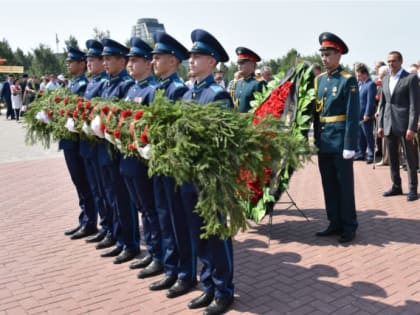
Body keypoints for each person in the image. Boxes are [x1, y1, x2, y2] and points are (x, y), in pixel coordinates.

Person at [181, 29, 234, 315]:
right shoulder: (189, 92)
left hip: (209, 177)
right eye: (190, 55)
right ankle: (209, 286)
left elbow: (222, 142)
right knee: (197, 234)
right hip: (187, 175)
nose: (191, 60)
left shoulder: (218, 95)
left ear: (211, 62)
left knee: (216, 235)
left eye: (197, 55)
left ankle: (224, 290)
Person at [140, 32, 189, 294]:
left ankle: (184, 272)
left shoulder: (178, 90)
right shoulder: (158, 89)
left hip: (172, 165)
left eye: (158, 57)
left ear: (172, 60)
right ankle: (171, 269)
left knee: (176, 221)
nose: (153, 61)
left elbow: (179, 132)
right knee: (162, 217)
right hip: (156, 163)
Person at [120, 37, 163, 270]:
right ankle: (153, 250)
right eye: (129, 60)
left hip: (142, 160)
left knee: (150, 209)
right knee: (141, 208)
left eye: (134, 60)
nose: (130, 65)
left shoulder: (153, 90)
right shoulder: (131, 88)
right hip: (127, 157)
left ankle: (159, 255)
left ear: (148, 64)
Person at [313, 32, 360, 243]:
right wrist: (315, 140)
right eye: (322, 54)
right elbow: (316, 114)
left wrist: (350, 144)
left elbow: (352, 115)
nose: (324, 58)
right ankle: (334, 221)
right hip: (324, 141)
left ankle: (349, 225)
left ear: (339, 55)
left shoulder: (347, 80)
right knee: (328, 184)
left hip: (340, 140)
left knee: (344, 185)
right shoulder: (319, 81)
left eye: (328, 54)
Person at [95, 38, 139, 264]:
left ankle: (129, 243)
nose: (104, 62)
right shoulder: (107, 83)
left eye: (108, 58)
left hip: (118, 150)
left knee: (123, 200)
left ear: (121, 61)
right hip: (105, 149)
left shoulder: (124, 85)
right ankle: (117, 237)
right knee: (112, 197)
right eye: (103, 59)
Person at [61, 46, 97, 240]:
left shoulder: (83, 85)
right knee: (79, 183)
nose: (67, 64)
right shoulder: (72, 83)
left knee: (85, 183)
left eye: (71, 62)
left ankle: (90, 221)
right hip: (70, 141)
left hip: (79, 141)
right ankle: (85, 219)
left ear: (81, 64)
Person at [377, 51, 420, 202]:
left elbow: (415, 105)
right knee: (393, 158)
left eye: (393, 61)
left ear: (401, 62)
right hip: (389, 124)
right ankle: (396, 186)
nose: (390, 64)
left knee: (409, 158)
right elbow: (382, 104)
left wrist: (412, 127)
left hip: (404, 125)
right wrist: (380, 125)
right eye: (388, 61)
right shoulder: (386, 78)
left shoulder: (410, 78)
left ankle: (413, 189)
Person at [80, 39, 110, 246]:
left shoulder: (106, 84)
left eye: (93, 59)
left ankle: (123, 237)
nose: (88, 63)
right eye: (87, 59)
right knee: (98, 190)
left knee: (114, 196)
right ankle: (108, 228)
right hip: (91, 145)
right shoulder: (95, 83)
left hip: (106, 148)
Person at [354, 63, 377, 164]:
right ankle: (361, 153)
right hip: (358, 114)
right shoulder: (359, 84)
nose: (357, 77)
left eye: (359, 75)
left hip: (365, 115)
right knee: (360, 135)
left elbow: (370, 101)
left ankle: (371, 155)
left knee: (368, 136)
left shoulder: (370, 84)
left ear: (365, 74)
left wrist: (367, 113)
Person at [233, 47, 265, 112]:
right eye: (238, 63)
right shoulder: (238, 83)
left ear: (252, 64)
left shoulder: (259, 83)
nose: (239, 66)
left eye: (242, 62)